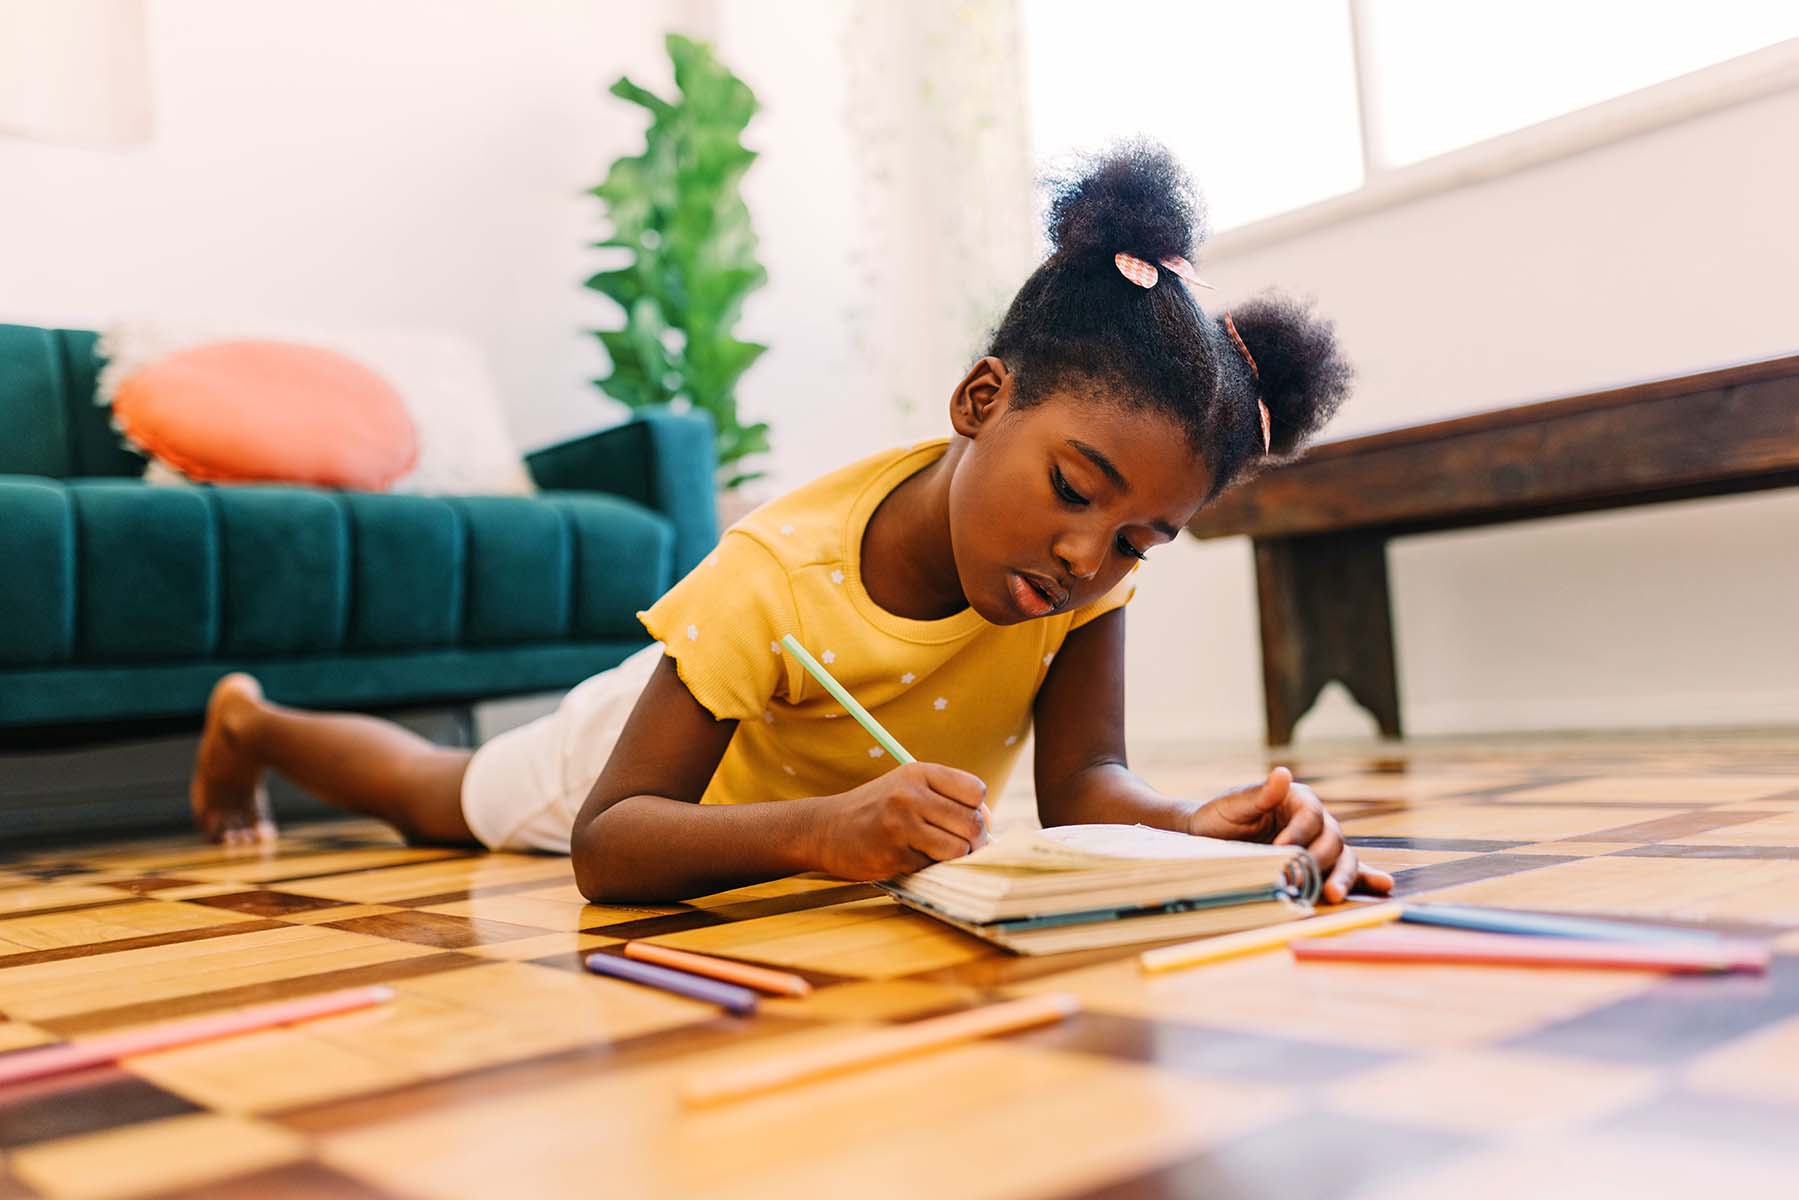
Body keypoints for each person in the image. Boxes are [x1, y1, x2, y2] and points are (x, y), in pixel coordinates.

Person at [192, 140, 1394, 907]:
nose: (1089, 556)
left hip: (807, 810)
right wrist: (823, 831)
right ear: (980, 401)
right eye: (1075, 491)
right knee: (436, 795)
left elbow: (1082, 783)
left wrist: (1193, 825)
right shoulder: (771, 573)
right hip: (642, 772)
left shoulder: (1080, 582)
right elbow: (609, 848)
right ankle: (253, 721)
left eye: (1139, 539)